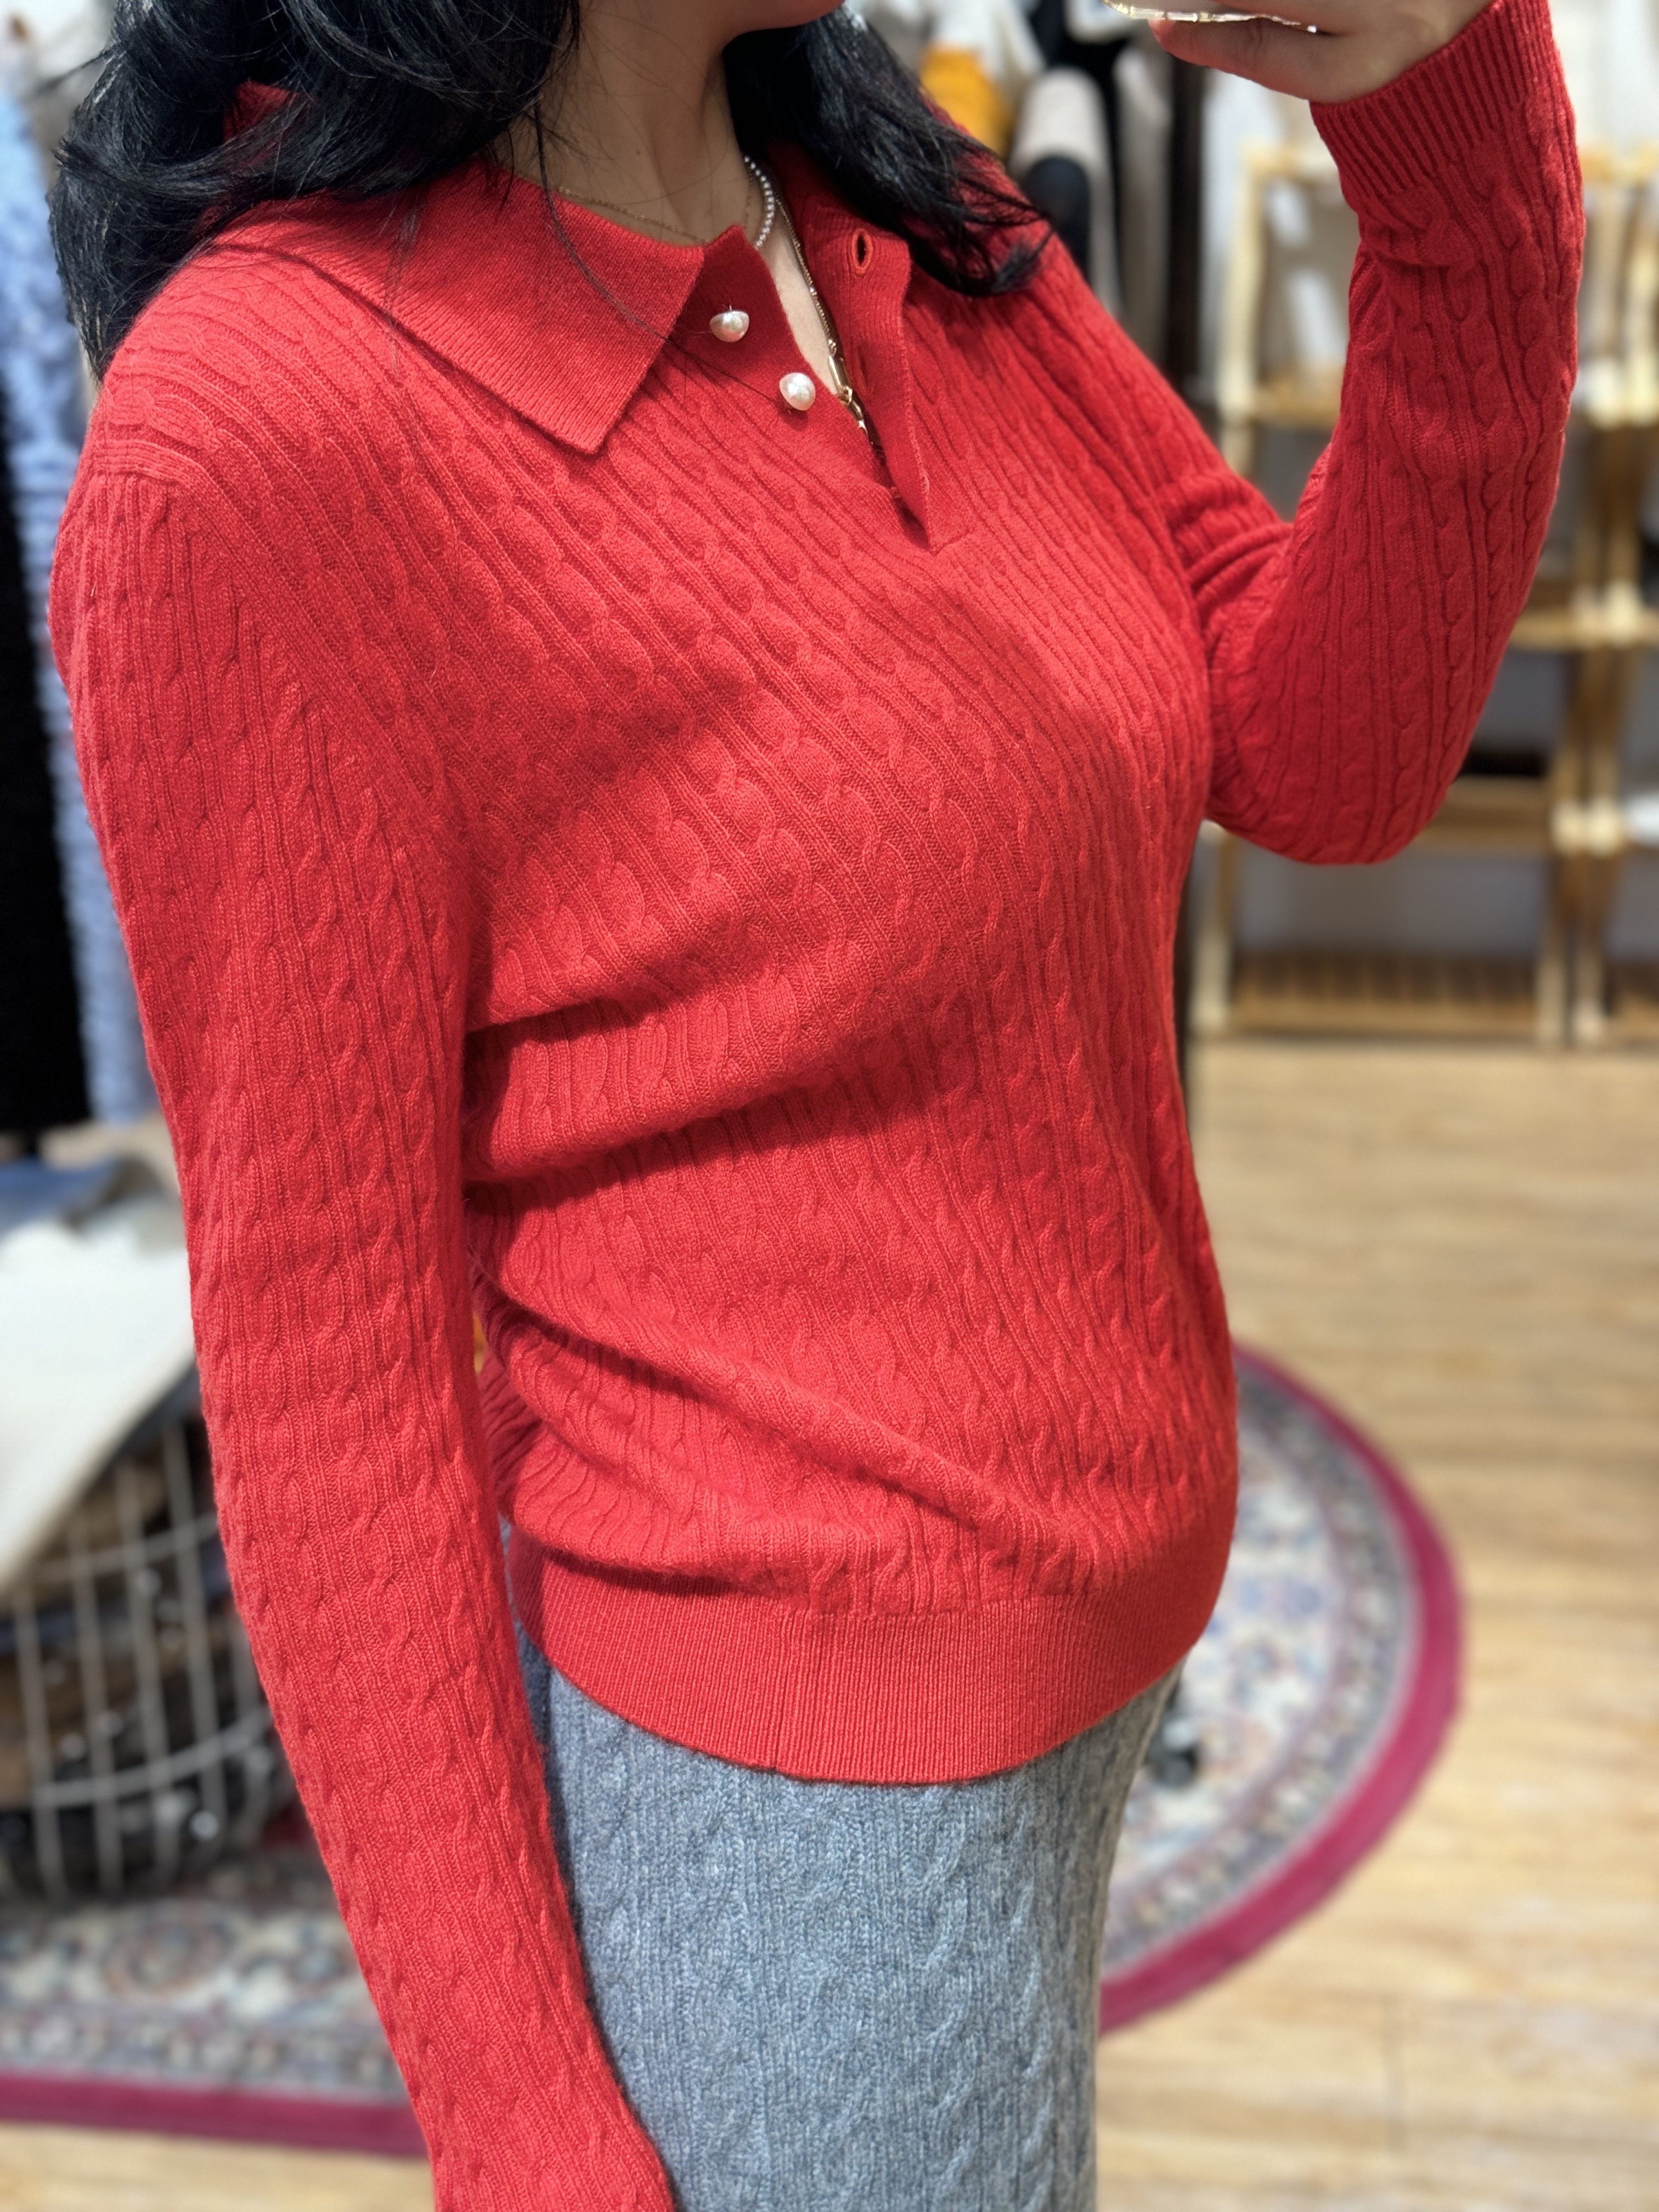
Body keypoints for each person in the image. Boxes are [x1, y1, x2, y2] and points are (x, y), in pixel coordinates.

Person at [48, 0, 1577, 2204]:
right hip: (789, 1804)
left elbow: (1327, 748)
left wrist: (1445, 143)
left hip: (1086, 1648)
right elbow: (328, 1371)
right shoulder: (266, 429)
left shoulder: (901, 206)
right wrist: (523, 2130)